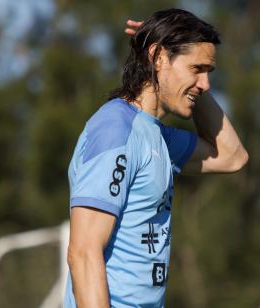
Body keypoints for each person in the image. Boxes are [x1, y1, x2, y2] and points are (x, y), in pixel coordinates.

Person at [64, 8, 248, 308]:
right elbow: (84, 253)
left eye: (208, 73)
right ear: (158, 57)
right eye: (197, 69)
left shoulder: (157, 135)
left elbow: (232, 156)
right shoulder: (116, 129)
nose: (205, 85)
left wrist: (192, 84)